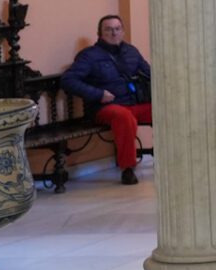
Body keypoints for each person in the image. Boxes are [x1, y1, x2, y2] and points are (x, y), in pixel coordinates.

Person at [61, 14, 152, 184]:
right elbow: (68, 80)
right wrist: (98, 94)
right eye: (108, 29)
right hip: (105, 107)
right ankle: (127, 169)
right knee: (124, 117)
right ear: (100, 33)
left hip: (133, 102)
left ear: (123, 31)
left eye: (117, 29)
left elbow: (150, 74)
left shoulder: (131, 51)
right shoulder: (89, 56)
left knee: (167, 109)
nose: (113, 33)